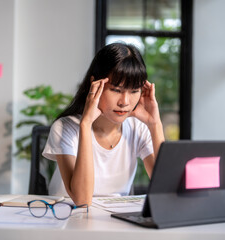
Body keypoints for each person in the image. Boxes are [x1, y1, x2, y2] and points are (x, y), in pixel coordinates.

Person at [42, 42, 165, 206]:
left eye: (134, 91)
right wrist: (85, 124)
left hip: (115, 219)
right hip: (66, 218)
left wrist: (155, 124)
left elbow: (165, 186)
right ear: (96, 84)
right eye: (116, 90)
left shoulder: (138, 129)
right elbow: (83, 200)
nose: (125, 102)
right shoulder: (65, 127)